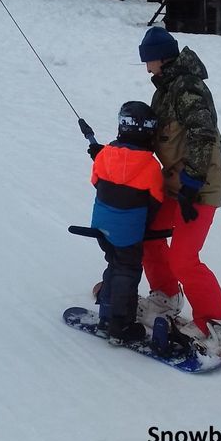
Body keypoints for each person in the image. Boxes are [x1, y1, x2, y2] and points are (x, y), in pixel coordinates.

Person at [137, 25, 221, 343]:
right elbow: (152, 135)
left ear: (159, 58)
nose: (146, 67)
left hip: (199, 187)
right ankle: (166, 297)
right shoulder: (165, 89)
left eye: (148, 60)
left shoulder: (187, 88)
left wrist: (193, 181)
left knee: (183, 257)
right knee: (149, 236)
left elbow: (202, 131)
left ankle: (217, 324)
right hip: (175, 185)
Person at [89, 101, 164, 344]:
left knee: (113, 263)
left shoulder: (104, 155)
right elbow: (155, 200)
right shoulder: (151, 166)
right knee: (127, 271)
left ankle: (105, 317)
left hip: (100, 226)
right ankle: (120, 325)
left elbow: (95, 181)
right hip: (128, 232)